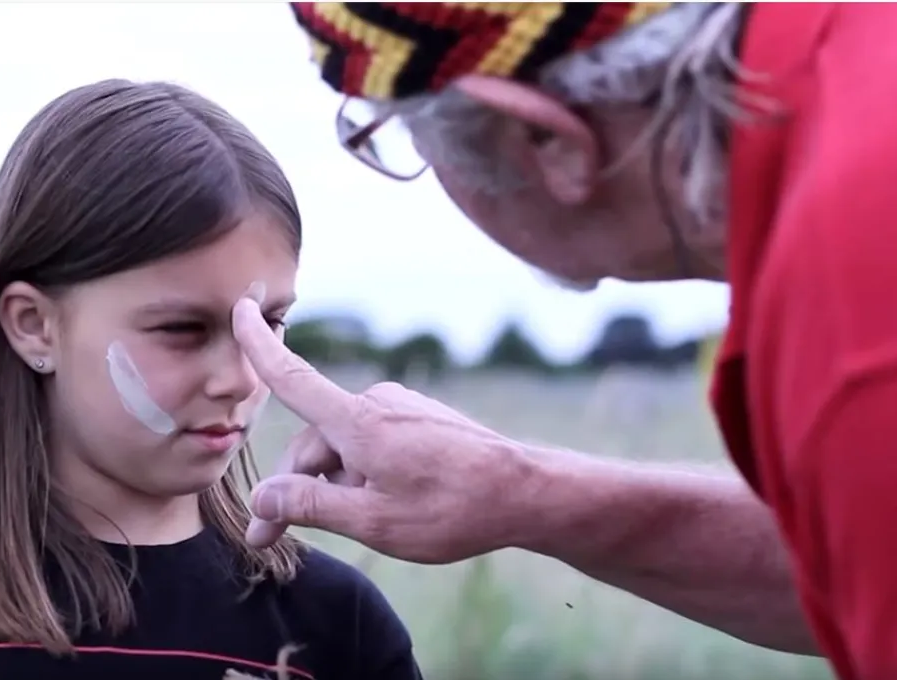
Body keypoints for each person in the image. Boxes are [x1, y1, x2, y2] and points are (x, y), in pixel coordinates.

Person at [232, 3, 897, 679]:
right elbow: (862, 559)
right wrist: (519, 490)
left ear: (542, 138)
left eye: (402, 141)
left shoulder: (855, 339)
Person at [0, 79, 420, 680]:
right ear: (34, 324)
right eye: (182, 329)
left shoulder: (331, 628)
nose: (240, 377)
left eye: (269, 325)